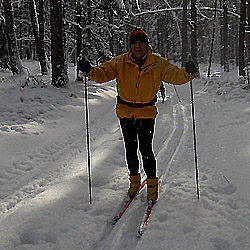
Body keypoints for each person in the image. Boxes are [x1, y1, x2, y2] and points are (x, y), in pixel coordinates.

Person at [78, 28, 197, 203]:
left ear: (146, 44)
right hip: (125, 112)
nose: (138, 46)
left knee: (146, 149)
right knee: (130, 149)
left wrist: (187, 72)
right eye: (134, 43)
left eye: (141, 43)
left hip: (146, 112)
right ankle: (134, 182)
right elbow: (103, 74)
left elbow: (175, 76)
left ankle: (152, 186)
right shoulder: (120, 62)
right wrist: (89, 70)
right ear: (130, 46)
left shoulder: (157, 63)